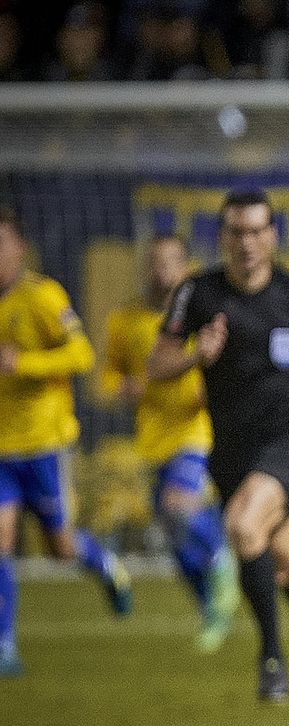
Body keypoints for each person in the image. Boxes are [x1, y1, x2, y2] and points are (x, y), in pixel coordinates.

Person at [148, 188, 289, 704]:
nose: (246, 243)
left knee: (244, 527)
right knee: (283, 562)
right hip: (232, 454)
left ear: (272, 236)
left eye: (255, 231)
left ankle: (271, 659)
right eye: (236, 232)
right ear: (222, 237)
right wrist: (196, 355)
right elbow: (157, 366)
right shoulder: (197, 293)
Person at [0, 206, 133, 678]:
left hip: (43, 443)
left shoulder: (43, 296)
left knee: (60, 548)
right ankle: (5, 644)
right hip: (0, 451)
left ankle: (106, 563)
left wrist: (26, 363)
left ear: (19, 247)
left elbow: (81, 354)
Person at [102, 234, 237, 653]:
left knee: (177, 507)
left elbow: (227, 366)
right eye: (156, 263)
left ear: (185, 267)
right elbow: (107, 377)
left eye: (172, 263)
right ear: (147, 268)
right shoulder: (126, 321)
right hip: (153, 438)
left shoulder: (202, 316)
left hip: (193, 431)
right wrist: (122, 387)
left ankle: (221, 558)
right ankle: (211, 610)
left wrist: (212, 388)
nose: (164, 272)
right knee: (173, 538)